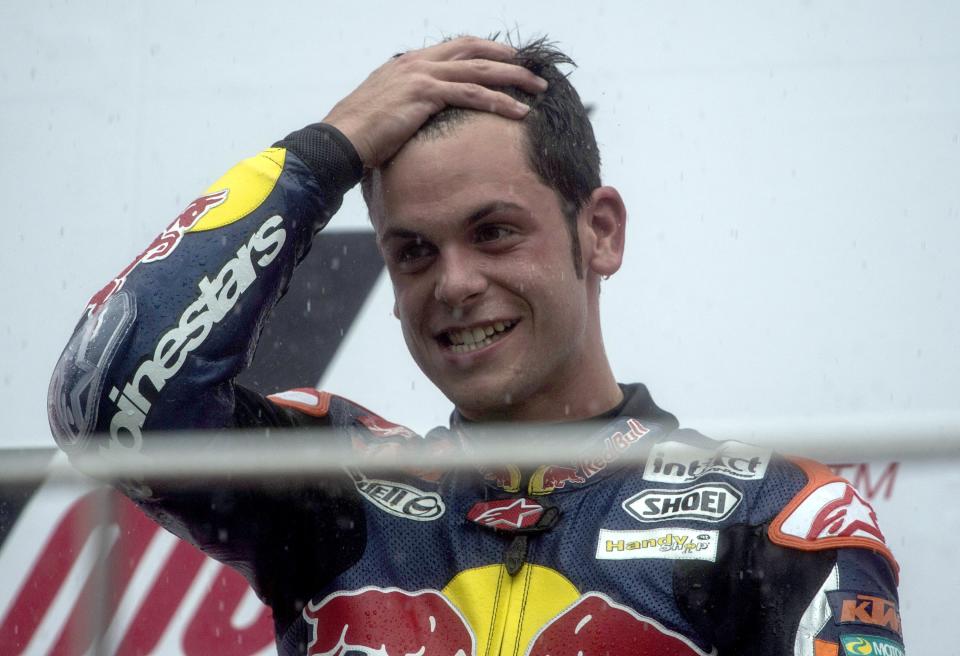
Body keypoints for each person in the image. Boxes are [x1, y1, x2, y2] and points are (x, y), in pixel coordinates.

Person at [48, 36, 904, 656]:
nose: (452, 283)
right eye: (412, 251)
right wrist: (319, 158)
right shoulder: (335, 488)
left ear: (599, 233)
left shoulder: (778, 515)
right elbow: (103, 399)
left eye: (494, 233)